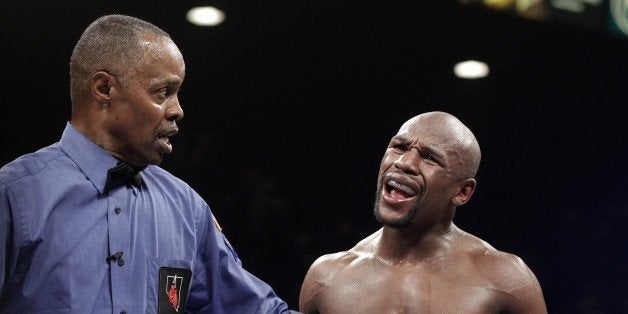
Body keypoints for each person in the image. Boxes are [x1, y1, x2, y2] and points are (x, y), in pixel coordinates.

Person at [0, 15, 294, 313]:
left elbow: (253, 309)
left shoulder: (187, 208)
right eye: (163, 92)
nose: (178, 110)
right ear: (104, 89)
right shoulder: (15, 195)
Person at [299, 112, 547, 313]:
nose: (404, 163)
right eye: (399, 147)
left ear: (462, 192)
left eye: (429, 157)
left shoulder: (505, 280)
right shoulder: (327, 277)